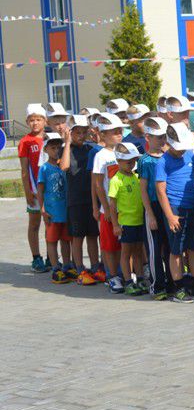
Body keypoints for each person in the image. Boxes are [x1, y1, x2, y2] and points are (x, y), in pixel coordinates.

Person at [156, 122, 194, 303]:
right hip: (175, 208)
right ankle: (178, 287)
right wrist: (169, 216)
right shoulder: (163, 162)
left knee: (193, 247)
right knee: (176, 249)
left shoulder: (191, 155)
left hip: (193, 206)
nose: (182, 150)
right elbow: (161, 191)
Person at [61, 115, 101, 285]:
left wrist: (97, 138)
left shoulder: (90, 149)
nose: (81, 135)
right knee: (78, 237)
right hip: (75, 201)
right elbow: (64, 166)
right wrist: (67, 142)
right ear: (70, 133)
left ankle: (95, 266)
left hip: (90, 199)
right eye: (77, 132)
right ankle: (80, 269)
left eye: (84, 132)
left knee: (92, 235)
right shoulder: (66, 150)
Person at [92, 112, 127, 293]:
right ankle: (112, 276)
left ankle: (123, 273)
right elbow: (98, 184)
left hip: (125, 209)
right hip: (108, 210)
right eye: (114, 132)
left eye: (120, 131)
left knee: (123, 245)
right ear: (103, 134)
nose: (119, 134)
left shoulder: (125, 151)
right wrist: (105, 208)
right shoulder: (101, 156)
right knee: (109, 245)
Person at [107, 142, 149, 296]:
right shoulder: (116, 180)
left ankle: (140, 279)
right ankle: (128, 281)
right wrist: (115, 225)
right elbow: (112, 205)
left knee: (138, 251)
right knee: (126, 253)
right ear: (119, 161)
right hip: (126, 223)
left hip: (139, 221)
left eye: (133, 161)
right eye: (128, 162)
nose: (131, 165)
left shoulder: (137, 177)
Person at [137, 117, 171, 299]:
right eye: (159, 137)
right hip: (153, 206)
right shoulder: (145, 161)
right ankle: (157, 285)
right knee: (154, 249)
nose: (162, 140)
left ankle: (173, 282)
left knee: (170, 247)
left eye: (164, 136)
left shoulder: (168, 157)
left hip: (168, 206)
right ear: (148, 138)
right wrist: (150, 214)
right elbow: (143, 189)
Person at [38, 132, 72, 284]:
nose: (56, 150)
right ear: (45, 149)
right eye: (53, 148)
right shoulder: (44, 169)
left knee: (66, 239)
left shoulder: (63, 166)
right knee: (52, 240)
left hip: (65, 210)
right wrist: (42, 210)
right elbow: (40, 190)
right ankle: (55, 268)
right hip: (52, 211)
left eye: (59, 147)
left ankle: (67, 265)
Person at [19, 103, 47, 272]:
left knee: (51, 224)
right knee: (35, 224)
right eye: (31, 120)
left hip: (50, 191)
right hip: (35, 192)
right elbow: (24, 170)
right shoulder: (25, 142)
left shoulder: (51, 138)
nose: (35, 123)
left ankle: (52, 257)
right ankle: (36, 257)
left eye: (38, 119)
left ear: (45, 120)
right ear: (27, 122)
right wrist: (28, 192)